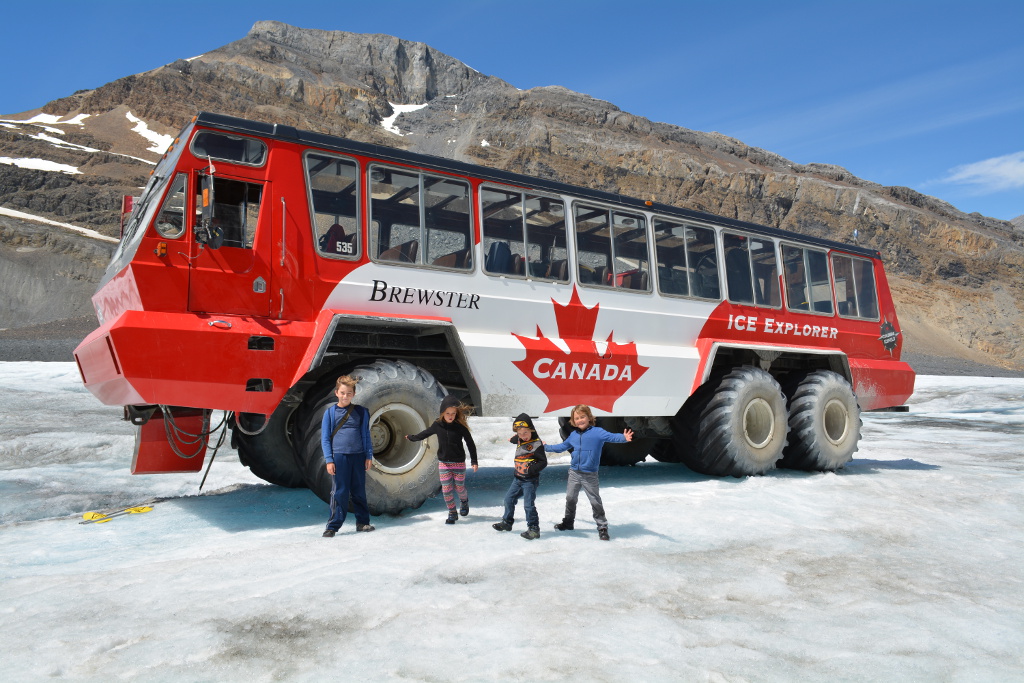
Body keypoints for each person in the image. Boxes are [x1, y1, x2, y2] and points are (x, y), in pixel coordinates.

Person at [545, 404, 632, 541]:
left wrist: (623, 437)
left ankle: (602, 527)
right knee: (570, 498)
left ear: (589, 417)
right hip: (574, 473)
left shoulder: (597, 432)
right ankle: (568, 522)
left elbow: (611, 437)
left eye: (582, 417)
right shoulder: (573, 435)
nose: (580, 420)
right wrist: (544, 447)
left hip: (589, 474)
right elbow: (561, 447)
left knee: (595, 501)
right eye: (577, 418)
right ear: (574, 421)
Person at [406, 394, 478, 524]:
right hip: (444, 463)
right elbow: (425, 433)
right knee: (446, 489)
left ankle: (464, 502)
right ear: (442, 413)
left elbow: (470, 443)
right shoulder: (438, 425)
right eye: (448, 413)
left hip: (458, 463)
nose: (450, 416)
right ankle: (452, 512)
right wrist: (413, 437)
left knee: (459, 487)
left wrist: (474, 461)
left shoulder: (460, 427)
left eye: (453, 413)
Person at [321, 375, 375, 537]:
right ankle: (333, 526)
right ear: (337, 392)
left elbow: (365, 435)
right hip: (339, 457)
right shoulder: (330, 413)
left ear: (354, 394)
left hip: (358, 456)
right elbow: (324, 438)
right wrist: (329, 460)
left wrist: (368, 456)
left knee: (359, 491)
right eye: (343, 393)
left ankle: (363, 523)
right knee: (339, 492)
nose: (345, 396)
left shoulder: (361, 412)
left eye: (349, 393)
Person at [492, 413, 547, 540]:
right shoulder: (519, 439)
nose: (523, 436)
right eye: (520, 433)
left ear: (531, 430)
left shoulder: (537, 445)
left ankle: (534, 528)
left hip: (530, 480)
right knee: (508, 499)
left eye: (525, 433)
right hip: (517, 479)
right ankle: (507, 522)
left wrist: (531, 470)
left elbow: (543, 462)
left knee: (528, 505)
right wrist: (513, 438)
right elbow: (515, 438)